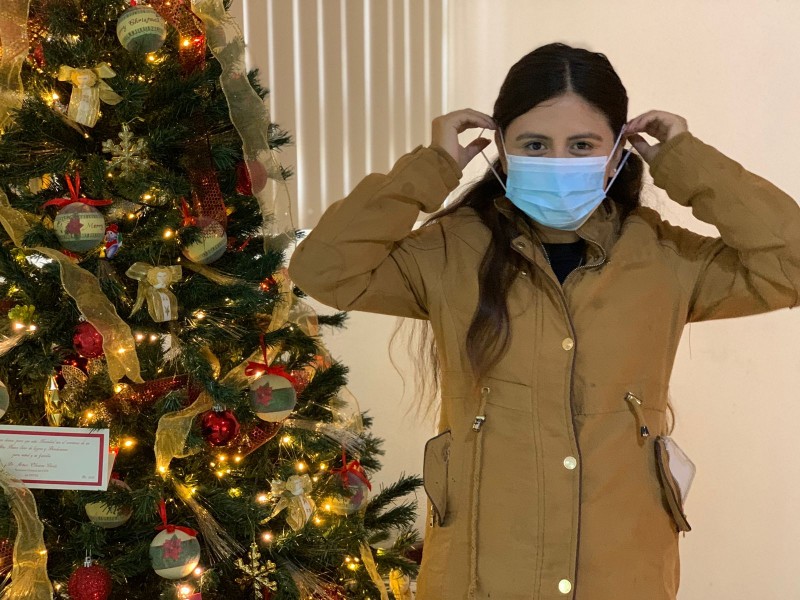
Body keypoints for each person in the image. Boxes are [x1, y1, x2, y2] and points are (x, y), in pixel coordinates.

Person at [288, 43, 800, 600]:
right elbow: (323, 270)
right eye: (535, 145)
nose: (558, 162)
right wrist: (431, 166)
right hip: (480, 575)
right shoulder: (449, 251)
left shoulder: (665, 258)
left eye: (582, 145)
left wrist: (688, 162)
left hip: (622, 573)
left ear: (617, 154)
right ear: (502, 152)